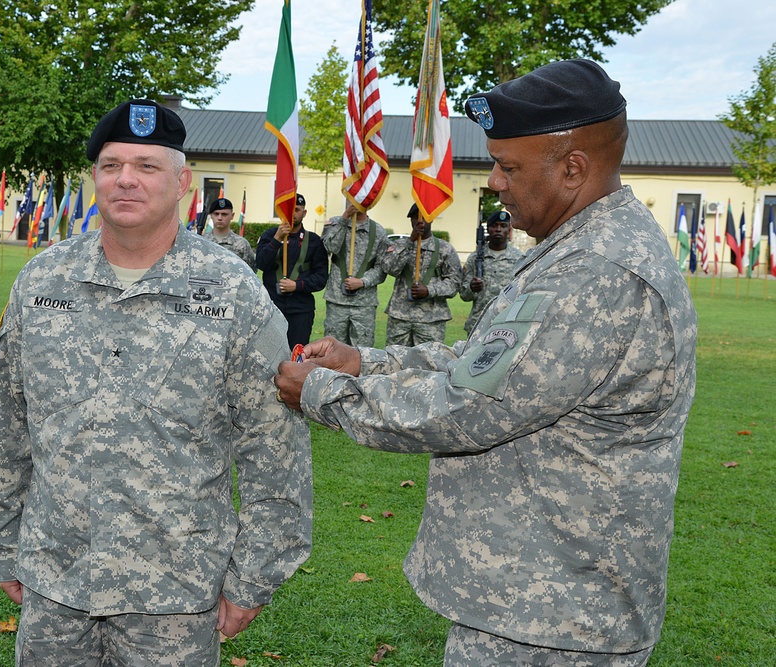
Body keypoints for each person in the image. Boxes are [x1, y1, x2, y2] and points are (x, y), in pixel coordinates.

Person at [275, 59, 696, 666]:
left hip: (556, 617)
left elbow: (468, 407)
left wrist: (320, 392)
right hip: (530, 602)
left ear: (573, 167)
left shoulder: (598, 271)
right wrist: (363, 363)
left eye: (509, 166)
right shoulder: (575, 249)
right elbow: (485, 360)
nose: (494, 181)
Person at [0, 99, 312, 667]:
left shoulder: (231, 290)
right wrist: (6, 548)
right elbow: (8, 423)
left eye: (146, 166)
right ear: (95, 178)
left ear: (182, 181)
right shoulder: (43, 280)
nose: (126, 179)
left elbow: (272, 445)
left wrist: (252, 578)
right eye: (111, 165)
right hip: (56, 584)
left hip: (176, 596)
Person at [379, 204, 461, 346]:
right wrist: (410, 241)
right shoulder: (399, 245)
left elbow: (455, 283)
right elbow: (389, 268)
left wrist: (429, 290)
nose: (420, 221)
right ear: (410, 220)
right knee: (395, 361)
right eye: (416, 217)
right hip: (400, 317)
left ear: (432, 219)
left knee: (428, 363)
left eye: (424, 217)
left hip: (431, 320)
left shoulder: (444, 249)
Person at [255, 193, 329, 349]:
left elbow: (321, 278)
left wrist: (297, 285)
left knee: (297, 355)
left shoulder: (314, 241)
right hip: (272, 308)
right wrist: (277, 238)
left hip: (300, 310)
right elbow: (261, 263)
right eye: (288, 209)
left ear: (304, 213)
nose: (292, 213)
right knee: (268, 353)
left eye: (297, 209)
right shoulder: (269, 235)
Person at [321, 203, 389, 346]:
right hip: (337, 301)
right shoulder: (335, 223)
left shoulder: (378, 232)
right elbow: (330, 247)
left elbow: (381, 269)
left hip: (364, 304)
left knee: (362, 353)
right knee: (332, 349)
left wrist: (362, 281)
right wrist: (345, 218)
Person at [458, 210, 524, 336]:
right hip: (478, 324)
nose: (498, 229)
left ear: (509, 230)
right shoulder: (475, 258)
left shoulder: (519, 258)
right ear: (488, 229)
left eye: (503, 226)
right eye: (494, 226)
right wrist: (472, 288)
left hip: (507, 324)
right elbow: (464, 295)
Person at [206, 197, 255, 270]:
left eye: (224, 214)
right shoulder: (202, 241)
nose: (219, 218)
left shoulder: (242, 244)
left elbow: (251, 272)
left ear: (232, 216)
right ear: (211, 215)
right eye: (216, 214)